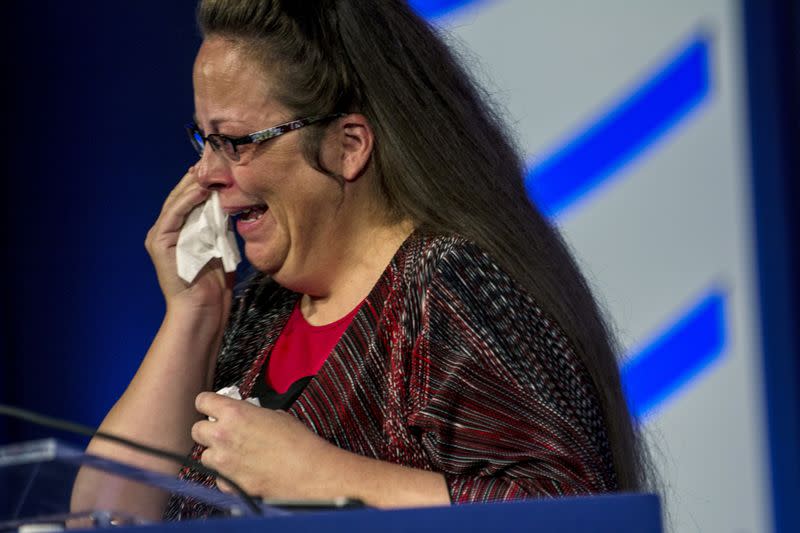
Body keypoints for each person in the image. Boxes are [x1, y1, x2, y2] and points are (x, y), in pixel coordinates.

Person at [72, 0, 648, 520]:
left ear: (348, 145)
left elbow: (574, 511)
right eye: (205, 141)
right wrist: (193, 316)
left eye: (237, 141)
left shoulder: (443, 285)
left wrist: (320, 477)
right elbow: (101, 517)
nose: (209, 175)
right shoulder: (257, 314)